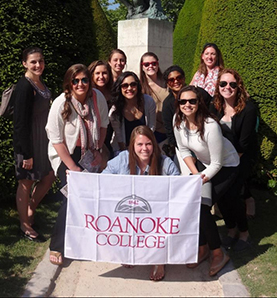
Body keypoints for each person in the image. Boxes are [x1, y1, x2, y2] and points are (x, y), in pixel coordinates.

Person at [45, 64, 109, 265]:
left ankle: (86, 241)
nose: (80, 84)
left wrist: (98, 150)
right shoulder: (60, 103)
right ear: (69, 83)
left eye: (84, 80)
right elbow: (56, 139)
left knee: (92, 199)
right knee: (71, 198)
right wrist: (72, 167)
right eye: (76, 80)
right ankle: (57, 246)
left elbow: (103, 125)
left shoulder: (97, 98)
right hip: (67, 154)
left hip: (90, 152)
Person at [173, 85, 240, 276]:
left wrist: (199, 180)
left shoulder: (210, 125)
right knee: (195, 205)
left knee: (201, 207)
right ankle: (202, 249)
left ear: (199, 102)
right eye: (183, 101)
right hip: (203, 165)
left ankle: (218, 254)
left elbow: (218, 163)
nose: (187, 104)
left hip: (226, 166)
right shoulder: (178, 121)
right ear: (178, 104)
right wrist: (195, 174)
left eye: (192, 101)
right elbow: (184, 150)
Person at [102, 125, 180, 281]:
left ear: (154, 144)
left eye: (148, 144)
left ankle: (159, 260)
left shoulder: (165, 163)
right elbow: (103, 179)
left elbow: (179, 186)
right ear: (132, 146)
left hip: (158, 212)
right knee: (120, 217)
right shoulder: (123, 158)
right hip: (130, 209)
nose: (144, 148)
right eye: (140, 144)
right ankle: (129, 251)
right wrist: (78, 178)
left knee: (164, 219)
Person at [210, 68, 258, 251]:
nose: (227, 87)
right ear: (218, 86)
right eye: (223, 83)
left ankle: (244, 234)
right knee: (219, 194)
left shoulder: (248, 109)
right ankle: (231, 230)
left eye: (232, 84)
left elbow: (243, 145)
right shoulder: (214, 107)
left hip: (241, 158)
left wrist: (225, 166)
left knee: (232, 194)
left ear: (238, 87)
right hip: (220, 160)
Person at [13, 47, 55, 242]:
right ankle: (25, 225)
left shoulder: (39, 83)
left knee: (49, 176)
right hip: (28, 143)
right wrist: (26, 153)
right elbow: (20, 123)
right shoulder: (24, 86)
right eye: (33, 62)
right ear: (24, 64)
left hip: (42, 141)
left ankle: (30, 210)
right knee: (26, 183)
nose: (38, 65)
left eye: (41, 61)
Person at [162, 65, 211, 160]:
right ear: (168, 84)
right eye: (171, 80)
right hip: (184, 148)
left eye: (179, 78)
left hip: (206, 140)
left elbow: (213, 108)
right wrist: (184, 152)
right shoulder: (168, 104)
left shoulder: (199, 92)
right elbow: (169, 131)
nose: (176, 81)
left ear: (184, 78)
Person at [109, 71, 156, 155]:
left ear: (138, 86)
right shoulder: (115, 110)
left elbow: (151, 128)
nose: (129, 88)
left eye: (133, 84)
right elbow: (120, 139)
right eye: (125, 86)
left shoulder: (148, 101)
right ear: (119, 88)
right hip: (123, 150)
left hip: (145, 147)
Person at [139, 52, 168, 145]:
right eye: (146, 64)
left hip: (171, 129)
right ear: (142, 67)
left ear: (158, 64)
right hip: (154, 132)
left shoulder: (168, 82)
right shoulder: (140, 88)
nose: (150, 66)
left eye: (153, 63)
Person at [88, 60, 114, 161]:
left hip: (109, 137)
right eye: (97, 73)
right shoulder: (87, 94)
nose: (101, 76)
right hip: (92, 138)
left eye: (104, 73)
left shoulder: (113, 93)